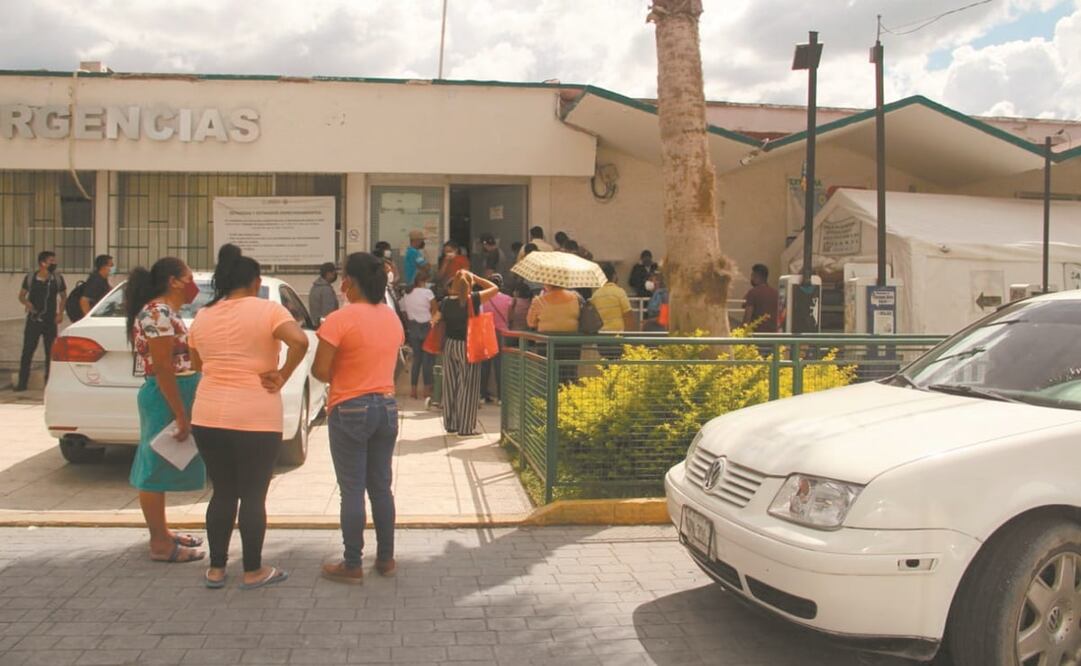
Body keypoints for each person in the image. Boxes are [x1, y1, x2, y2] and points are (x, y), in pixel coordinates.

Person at [188, 244, 309, 590]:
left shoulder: (204, 316)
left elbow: (197, 363)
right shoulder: (268, 310)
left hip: (208, 413)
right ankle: (253, 569)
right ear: (255, 282)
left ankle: (216, 568)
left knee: (222, 491)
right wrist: (283, 373)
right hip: (256, 414)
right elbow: (299, 341)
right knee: (253, 495)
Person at [312, 252, 404, 584]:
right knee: (381, 487)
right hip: (387, 407)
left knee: (351, 488)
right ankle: (386, 558)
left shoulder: (340, 319)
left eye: (343, 277)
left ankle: (352, 563)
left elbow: (320, 370)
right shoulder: (392, 319)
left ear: (350, 281)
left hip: (349, 407)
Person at [124, 256, 206, 564]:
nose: (193, 284)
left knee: (160, 461)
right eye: (189, 277)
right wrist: (180, 414)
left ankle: (162, 531)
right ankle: (159, 542)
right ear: (174, 281)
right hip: (166, 395)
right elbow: (162, 367)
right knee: (154, 466)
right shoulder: (157, 313)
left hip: (176, 392)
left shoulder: (166, 312)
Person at [432, 270, 499, 436]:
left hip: (449, 345)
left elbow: (435, 320)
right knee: (468, 386)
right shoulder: (474, 299)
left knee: (450, 384)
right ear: (470, 284)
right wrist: (476, 277)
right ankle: (466, 428)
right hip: (468, 346)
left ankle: (451, 423)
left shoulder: (446, 301)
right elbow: (495, 288)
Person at [16, 250, 67, 391]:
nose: (54, 263)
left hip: (50, 320)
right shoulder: (31, 277)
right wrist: (27, 304)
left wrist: (60, 313)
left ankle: (49, 383)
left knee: (50, 352)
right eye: (51, 261)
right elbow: (21, 296)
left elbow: (63, 296)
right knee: (27, 351)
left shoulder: (56, 279)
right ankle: (22, 383)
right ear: (42, 263)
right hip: (34, 319)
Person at [527, 283, 581, 383]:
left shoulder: (539, 300)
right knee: (569, 376)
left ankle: (548, 398)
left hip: (546, 343)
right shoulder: (575, 297)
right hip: (571, 342)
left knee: (547, 375)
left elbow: (531, 323)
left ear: (548, 284)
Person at [400, 270, 436, 400]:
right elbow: (435, 309)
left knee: (416, 360)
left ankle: (413, 390)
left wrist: (409, 322)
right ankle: (426, 391)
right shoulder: (428, 293)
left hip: (413, 327)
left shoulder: (407, 293)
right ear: (424, 281)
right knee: (427, 360)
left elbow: (403, 311)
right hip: (427, 327)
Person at [480, 273, 513, 404]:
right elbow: (509, 317)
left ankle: (482, 395)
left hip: (486, 332)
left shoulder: (482, 299)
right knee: (500, 366)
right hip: (503, 334)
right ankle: (501, 397)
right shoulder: (508, 299)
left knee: (484, 366)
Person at [591, 262, 635, 333]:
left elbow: (593, 319)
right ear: (614, 276)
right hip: (618, 336)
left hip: (601, 336)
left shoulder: (595, 295)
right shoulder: (619, 292)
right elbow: (628, 315)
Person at [742, 263, 780, 334]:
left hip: (757, 337)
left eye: (752, 276)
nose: (751, 278)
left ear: (757, 277)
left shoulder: (753, 293)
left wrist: (741, 333)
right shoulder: (776, 293)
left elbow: (747, 318)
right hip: (773, 337)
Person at [309, 262, 339, 326]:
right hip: (324, 326)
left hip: (316, 324)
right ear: (328, 274)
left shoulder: (315, 287)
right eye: (333, 273)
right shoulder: (326, 290)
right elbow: (328, 313)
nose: (335, 276)